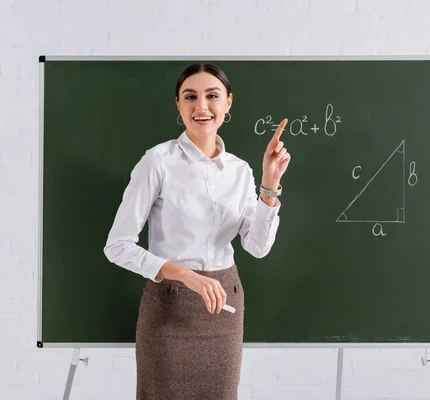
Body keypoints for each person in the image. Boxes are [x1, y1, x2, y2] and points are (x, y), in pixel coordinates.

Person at [103, 62, 291, 400]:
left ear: (228, 103)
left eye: (212, 96)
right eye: (190, 97)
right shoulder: (157, 162)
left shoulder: (240, 171)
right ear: (178, 104)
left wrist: (269, 185)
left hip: (225, 308)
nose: (201, 107)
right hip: (169, 309)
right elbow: (117, 246)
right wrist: (185, 276)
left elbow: (257, 247)